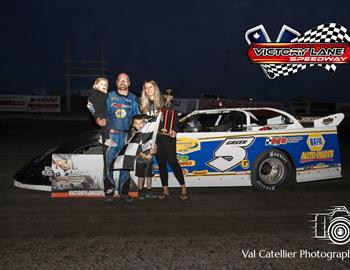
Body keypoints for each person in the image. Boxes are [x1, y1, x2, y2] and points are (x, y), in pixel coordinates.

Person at [140, 80, 188, 200]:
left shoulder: (164, 100)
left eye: (150, 87)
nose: (148, 90)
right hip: (154, 138)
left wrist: (175, 130)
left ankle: (183, 187)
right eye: (146, 88)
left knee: (172, 161)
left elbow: (174, 118)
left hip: (167, 136)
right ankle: (165, 190)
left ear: (155, 88)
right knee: (161, 163)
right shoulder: (143, 104)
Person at [96, 73, 140, 202]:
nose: (123, 82)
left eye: (125, 80)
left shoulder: (134, 99)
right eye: (120, 80)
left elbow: (138, 117)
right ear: (116, 82)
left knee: (125, 165)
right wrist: (98, 119)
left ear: (129, 83)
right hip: (110, 136)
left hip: (127, 136)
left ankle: (124, 192)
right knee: (108, 165)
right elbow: (96, 108)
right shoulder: (108, 96)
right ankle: (109, 191)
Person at [129, 115, 158, 200]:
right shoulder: (134, 134)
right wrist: (144, 155)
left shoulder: (149, 133)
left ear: (144, 123)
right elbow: (135, 148)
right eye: (137, 124)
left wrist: (151, 153)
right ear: (134, 125)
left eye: (141, 123)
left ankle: (149, 191)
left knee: (149, 175)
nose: (139, 125)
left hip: (149, 157)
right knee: (141, 176)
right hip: (140, 159)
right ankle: (140, 191)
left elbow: (153, 144)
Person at [87, 77, 114, 146]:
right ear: (96, 85)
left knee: (104, 126)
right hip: (100, 113)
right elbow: (98, 101)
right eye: (101, 84)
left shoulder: (97, 93)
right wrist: (106, 95)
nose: (104, 86)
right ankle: (107, 139)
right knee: (105, 125)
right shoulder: (97, 93)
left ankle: (102, 137)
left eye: (106, 85)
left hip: (101, 112)